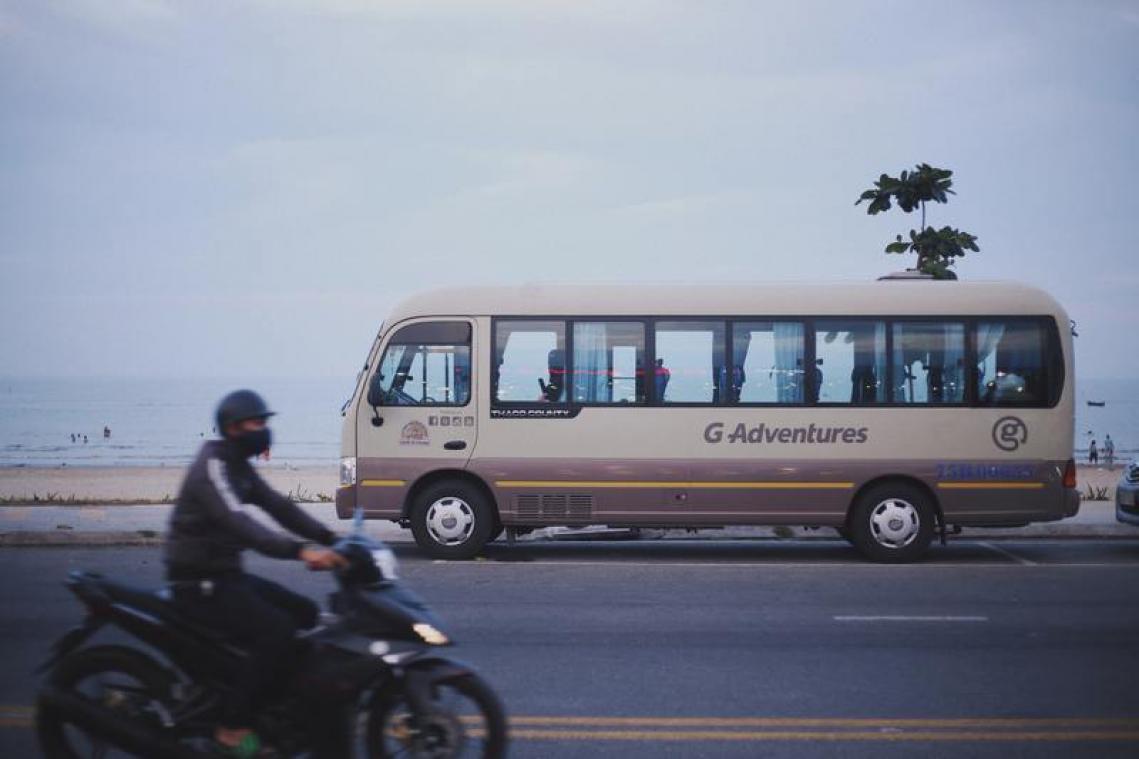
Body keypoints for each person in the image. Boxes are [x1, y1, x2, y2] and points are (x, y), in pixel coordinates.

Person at [165, 389, 345, 756]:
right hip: (198, 582)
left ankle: (274, 699)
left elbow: (278, 506)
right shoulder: (213, 465)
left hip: (225, 575)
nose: (264, 429)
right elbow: (239, 521)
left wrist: (331, 538)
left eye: (265, 422)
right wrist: (299, 550)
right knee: (276, 631)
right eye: (257, 422)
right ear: (233, 428)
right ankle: (232, 725)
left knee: (304, 613)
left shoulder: (238, 464)